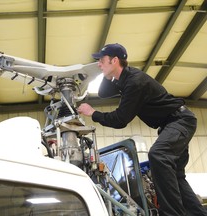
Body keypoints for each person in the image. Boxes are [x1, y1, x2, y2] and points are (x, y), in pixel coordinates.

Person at [77, 43, 207, 216]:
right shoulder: (123, 80)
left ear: (114, 60)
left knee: (158, 155)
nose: (99, 64)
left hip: (180, 121)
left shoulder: (134, 82)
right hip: (173, 124)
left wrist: (92, 113)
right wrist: (106, 72)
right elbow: (102, 93)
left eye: (102, 60)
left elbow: (120, 119)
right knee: (176, 176)